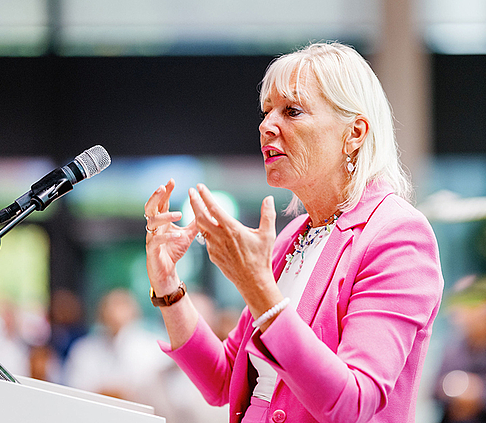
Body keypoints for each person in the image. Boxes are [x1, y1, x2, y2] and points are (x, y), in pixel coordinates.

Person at [143, 42, 444, 423]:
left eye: (292, 111)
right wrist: (168, 286)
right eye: (267, 110)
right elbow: (223, 381)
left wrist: (256, 288)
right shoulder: (291, 238)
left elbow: (352, 403)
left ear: (354, 132)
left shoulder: (397, 235)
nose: (266, 125)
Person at [62, 288, 173, 409]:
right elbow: (75, 392)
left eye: (122, 305)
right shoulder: (84, 350)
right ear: (100, 313)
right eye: (111, 306)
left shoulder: (152, 347)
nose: (116, 312)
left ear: (135, 311)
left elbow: (157, 392)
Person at [433, 276, 486, 423]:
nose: (462, 315)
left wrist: (475, 392)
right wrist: (460, 388)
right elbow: (435, 390)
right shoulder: (453, 350)